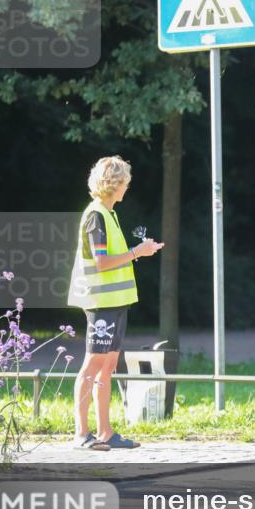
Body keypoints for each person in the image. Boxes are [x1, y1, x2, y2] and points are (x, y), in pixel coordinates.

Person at [68, 156, 163, 450]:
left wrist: (140, 251)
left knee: (107, 367)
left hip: (115, 302)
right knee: (92, 366)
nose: (126, 189)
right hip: (100, 303)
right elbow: (101, 262)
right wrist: (137, 251)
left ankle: (105, 432)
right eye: (124, 184)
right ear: (113, 184)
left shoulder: (109, 214)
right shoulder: (96, 215)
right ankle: (82, 434)